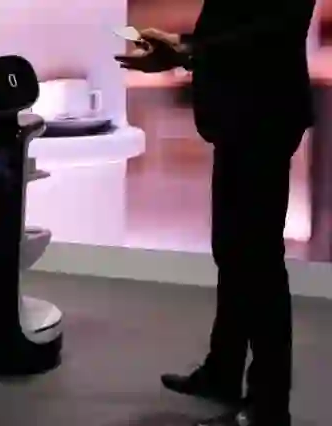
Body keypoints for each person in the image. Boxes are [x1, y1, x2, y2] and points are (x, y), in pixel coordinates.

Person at [115, 0, 316, 425]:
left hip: (264, 115)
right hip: (241, 115)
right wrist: (182, 47)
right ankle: (223, 370)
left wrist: (188, 50)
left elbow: (273, 31)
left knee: (258, 257)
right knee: (232, 250)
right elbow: (236, 21)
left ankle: (269, 403)